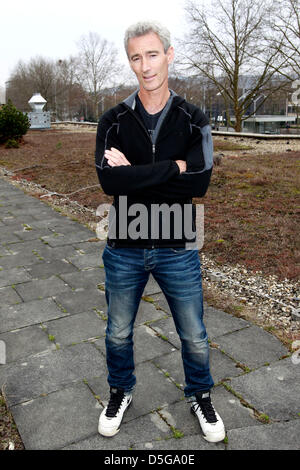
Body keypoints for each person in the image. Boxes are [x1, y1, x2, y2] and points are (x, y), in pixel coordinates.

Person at [95, 20, 225, 443]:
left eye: (153, 54)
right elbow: (110, 184)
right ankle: (120, 391)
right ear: (130, 62)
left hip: (177, 246)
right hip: (124, 245)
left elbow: (200, 183)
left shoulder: (193, 119)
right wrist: (174, 168)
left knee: (193, 334)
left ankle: (200, 395)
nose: (145, 65)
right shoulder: (112, 120)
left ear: (169, 55)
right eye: (136, 57)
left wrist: (135, 172)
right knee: (117, 331)